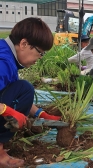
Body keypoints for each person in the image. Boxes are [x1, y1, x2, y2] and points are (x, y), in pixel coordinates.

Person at [0, 17, 60, 167]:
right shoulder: (3, 62)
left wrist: (41, 114)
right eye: (40, 53)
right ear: (24, 44)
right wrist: (8, 111)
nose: (39, 58)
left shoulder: (6, 54)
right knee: (25, 88)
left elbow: (9, 92)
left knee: (22, 89)